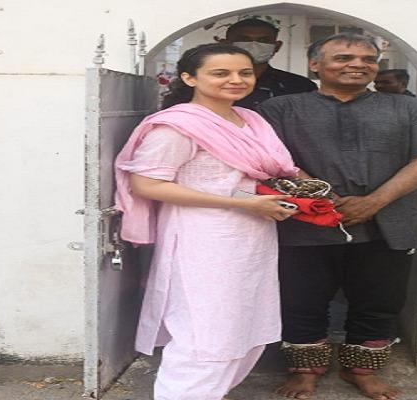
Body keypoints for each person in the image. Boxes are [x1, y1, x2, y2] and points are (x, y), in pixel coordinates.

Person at [258, 33, 417, 400]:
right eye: (344, 57)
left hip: (387, 224)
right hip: (306, 224)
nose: (358, 64)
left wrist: (374, 202)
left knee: (379, 302)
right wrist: (324, 198)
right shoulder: (280, 109)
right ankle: (305, 371)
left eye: (368, 59)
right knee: (301, 300)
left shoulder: (408, 109)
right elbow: (270, 163)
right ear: (314, 65)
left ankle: (360, 370)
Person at [114, 43, 299, 400]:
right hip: (202, 239)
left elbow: (247, 178)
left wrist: (275, 199)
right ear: (189, 77)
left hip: (251, 236)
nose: (236, 80)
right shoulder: (177, 127)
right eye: (221, 73)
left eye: (244, 72)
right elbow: (147, 184)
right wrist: (241, 204)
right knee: (205, 333)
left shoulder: (251, 120)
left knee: (244, 327)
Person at [162, 18, 317, 110]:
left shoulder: (299, 86)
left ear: (277, 46)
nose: (254, 45)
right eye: (245, 39)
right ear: (226, 43)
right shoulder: (195, 89)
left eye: (263, 40)